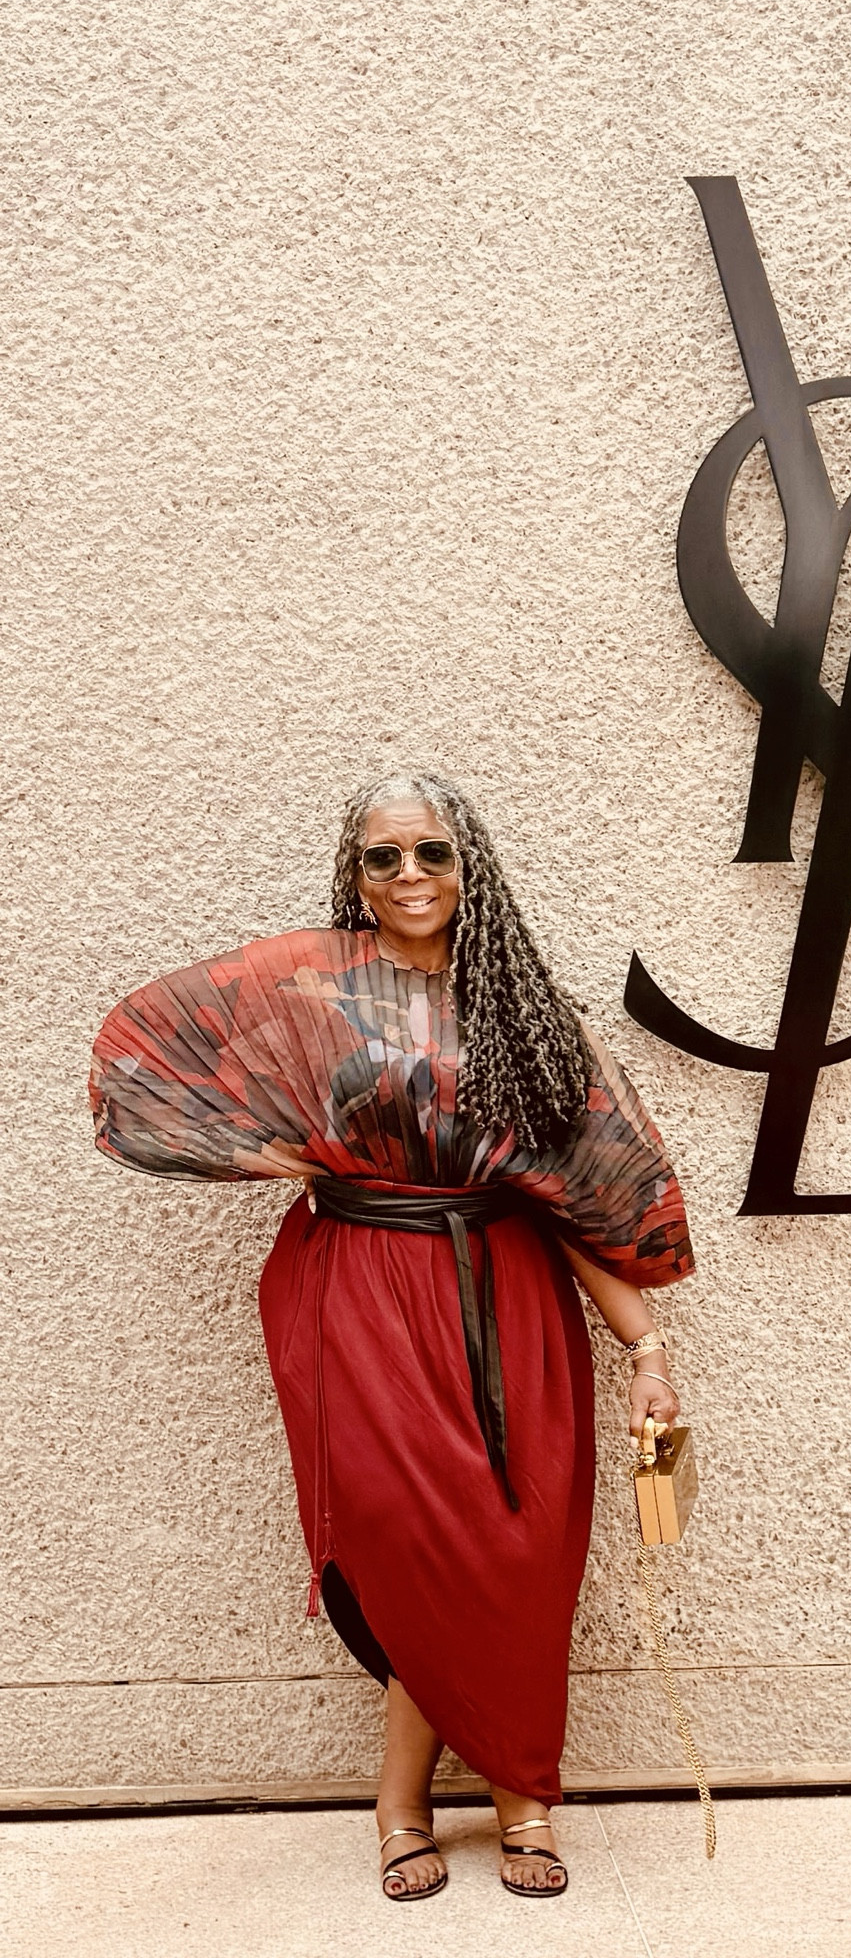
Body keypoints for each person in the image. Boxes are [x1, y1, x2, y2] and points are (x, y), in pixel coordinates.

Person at [89, 772, 693, 1901]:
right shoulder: (311, 990)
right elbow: (142, 1059)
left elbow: (582, 1200)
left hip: (505, 1292)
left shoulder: (520, 1006)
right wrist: (269, 1155)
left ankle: (499, 1787)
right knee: (410, 1543)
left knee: (515, 1547)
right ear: (353, 870)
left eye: (431, 851)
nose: (408, 874)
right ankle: (447, 1798)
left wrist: (646, 1351)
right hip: (357, 1288)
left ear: (471, 866)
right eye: (383, 856)